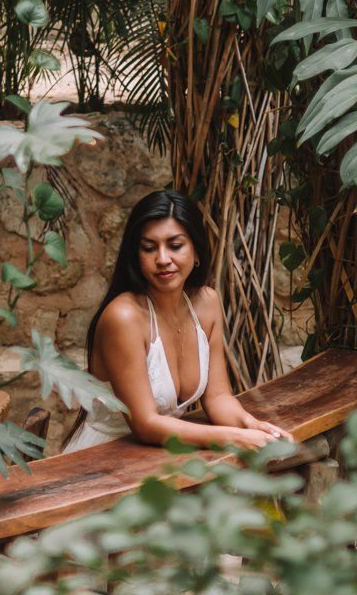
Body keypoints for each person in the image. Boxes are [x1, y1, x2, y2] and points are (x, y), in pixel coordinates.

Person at [61, 189, 291, 454]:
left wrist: (251, 426)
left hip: (162, 456)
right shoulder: (123, 317)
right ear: (136, 257)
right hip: (102, 460)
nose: (162, 259)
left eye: (175, 245)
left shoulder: (207, 303)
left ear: (196, 252)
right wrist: (232, 438)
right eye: (149, 248)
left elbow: (218, 397)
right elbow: (145, 424)